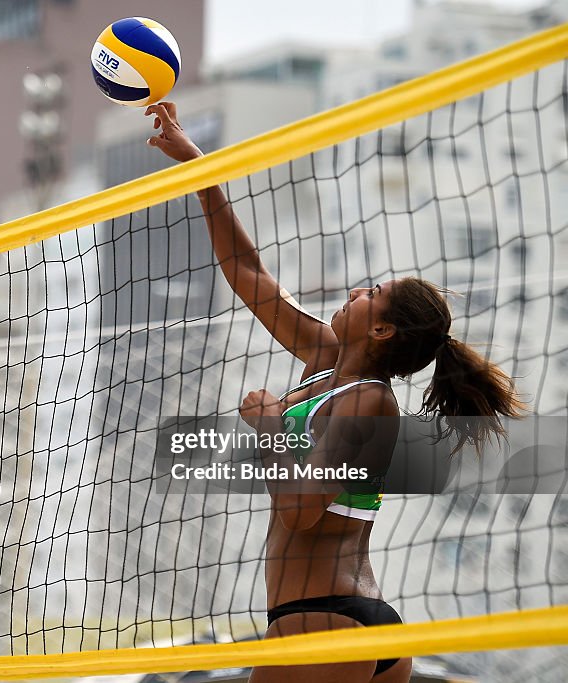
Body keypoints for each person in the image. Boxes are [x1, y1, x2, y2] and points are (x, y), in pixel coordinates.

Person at [145, 101, 525, 683]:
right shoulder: (324, 360)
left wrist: (270, 425)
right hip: (338, 623)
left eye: (371, 291)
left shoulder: (368, 401)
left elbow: (300, 512)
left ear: (381, 330)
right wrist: (199, 170)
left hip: (322, 622)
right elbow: (249, 272)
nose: (354, 289)